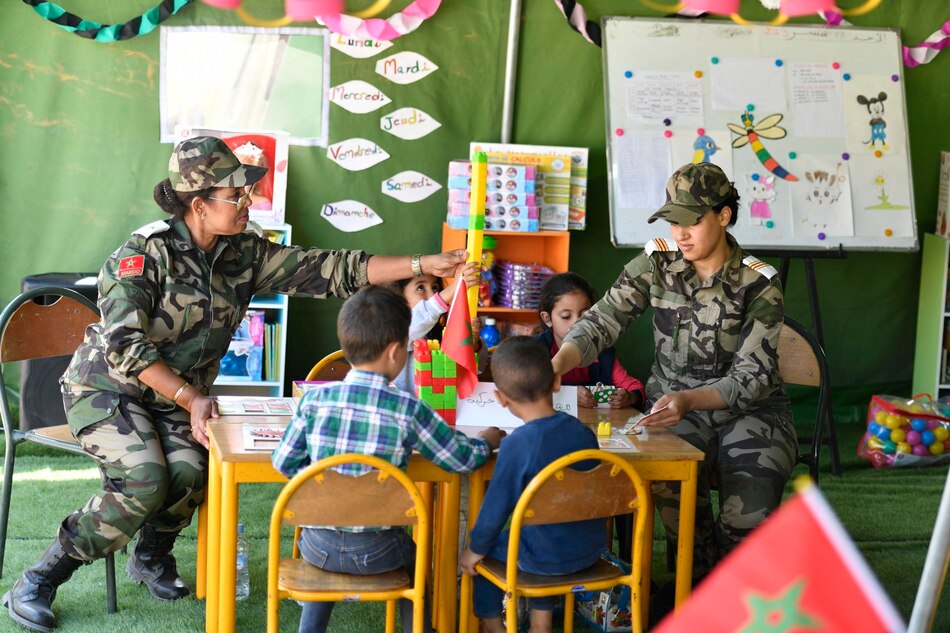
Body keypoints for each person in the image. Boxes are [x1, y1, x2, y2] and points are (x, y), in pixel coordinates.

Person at [2, 136, 473, 633]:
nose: (248, 202)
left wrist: (424, 266)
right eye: (237, 195)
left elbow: (329, 270)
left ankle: (152, 555)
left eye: (248, 193)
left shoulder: (242, 252)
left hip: (175, 397)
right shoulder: (142, 254)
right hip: (108, 389)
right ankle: (39, 579)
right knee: (144, 478)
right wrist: (190, 397)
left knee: (193, 469)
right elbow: (125, 346)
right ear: (199, 204)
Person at [551, 162, 797, 586]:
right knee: (682, 518)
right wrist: (557, 363)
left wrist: (689, 399)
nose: (680, 233)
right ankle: (697, 592)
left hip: (752, 413)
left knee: (749, 519)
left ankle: (737, 590)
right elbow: (602, 321)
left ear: (724, 216)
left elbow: (750, 378)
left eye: (692, 221)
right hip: (673, 410)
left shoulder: (760, 283)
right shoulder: (656, 263)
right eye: (673, 220)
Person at [272, 286, 506, 633]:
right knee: (417, 562)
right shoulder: (407, 409)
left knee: (327, 555)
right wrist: (489, 438)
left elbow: (283, 463)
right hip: (379, 552)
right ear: (397, 352)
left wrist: (326, 479)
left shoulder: (313, 401)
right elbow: (462, 459)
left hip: (316, 546)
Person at [461, 336, 603, 633]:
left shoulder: (516, 445)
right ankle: (542, 623)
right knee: (545, 531)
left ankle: (492, 624)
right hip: (589, 549)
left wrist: (474, 551)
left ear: (500, 398)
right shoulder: (585, 434)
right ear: (556, 382)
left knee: (485, 558)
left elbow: (494, 510)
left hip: (542, 557)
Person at [534, 272, 644, 410]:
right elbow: (522, 389)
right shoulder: (535, 350)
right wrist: (568, 394)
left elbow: (633, 386)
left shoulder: (602, 351)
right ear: (547, 318)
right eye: (566, 316)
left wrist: (629, 397)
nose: (577, 324)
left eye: (585, 315)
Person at [389, 265, 479, 394]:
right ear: (399, 298)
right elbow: (412, 325)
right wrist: (453, 289)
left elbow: (460, 374)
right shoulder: (395, 331)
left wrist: (472, 345)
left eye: (435, 288)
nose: (432, 294)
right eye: (420, 288)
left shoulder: (442, 331)